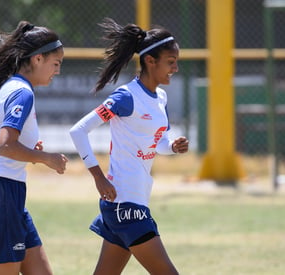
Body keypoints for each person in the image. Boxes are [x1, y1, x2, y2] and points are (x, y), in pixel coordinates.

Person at [70, 18, 189, 275]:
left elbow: (160, 142)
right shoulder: (126, 97)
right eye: (171, 62)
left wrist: (173, 146)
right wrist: (98, 177)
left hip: (131, 202)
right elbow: (78, 131)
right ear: (150, 61)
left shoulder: (161, 97)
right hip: (126, 204)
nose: (176, 68)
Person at [0, 21, 68, 275]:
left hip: (6, 196)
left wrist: (27, 149)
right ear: (38, 59)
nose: (57, 71)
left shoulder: (8, 87)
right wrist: (46, 158)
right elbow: (4, 145)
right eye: (55, 64)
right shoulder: (22, 92)